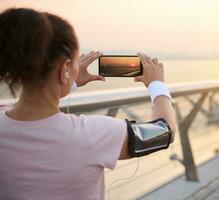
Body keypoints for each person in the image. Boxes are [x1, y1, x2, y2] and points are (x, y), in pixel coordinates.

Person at [0, 8, 177, 200]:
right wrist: (156, 84)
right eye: (75, 63)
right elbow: (165, 132)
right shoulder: (94, 134)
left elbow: (31, 109)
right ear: (64, 69)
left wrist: (68, 82)